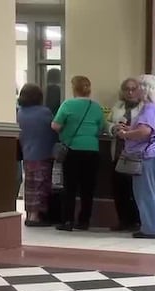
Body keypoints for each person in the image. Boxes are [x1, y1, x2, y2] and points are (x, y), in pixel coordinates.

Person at [115, 74, 155, 239]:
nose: (135, 90)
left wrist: (125, 133)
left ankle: (150, 229)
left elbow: (144, 132)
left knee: (144, 193)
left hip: (149, 155)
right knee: (154, 193)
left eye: (138, 87)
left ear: (145, 89)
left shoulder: (149, 108)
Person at [52, 75, 105, 231]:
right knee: (87, 189)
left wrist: (66, 130)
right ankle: (84, 221)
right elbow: (101, 127)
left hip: (72, 149)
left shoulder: (68, 104)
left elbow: (55, 125)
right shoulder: (96, 107)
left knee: (70, 187)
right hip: (92, 150)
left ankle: (67, 221)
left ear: (74, 88)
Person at [17, 83, 57, 226]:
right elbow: (53, 130)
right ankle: (36, 216)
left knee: (30, 185)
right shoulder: (44, 112)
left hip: (27, 153)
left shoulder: (20, 112)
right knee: (41, 185)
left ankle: (29, 214)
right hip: (43, 153)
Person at [106, 77, 142, 231]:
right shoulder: (117, 106)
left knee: (135, 190)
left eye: (133, 89)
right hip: (117, 153)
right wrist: (113, 128)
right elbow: (107, 122)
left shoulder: (144, 108)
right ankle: (123, 221)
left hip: (135, 155)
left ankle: (137, 221)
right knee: (119, 190)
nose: (130, 92)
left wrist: (130, 130)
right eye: (127, 89)